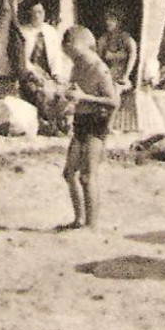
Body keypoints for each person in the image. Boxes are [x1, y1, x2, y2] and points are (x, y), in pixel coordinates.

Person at [60, 25, 120, 231]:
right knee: (69, 173)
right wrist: (69, 104)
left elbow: (113, 101)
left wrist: (83, 98)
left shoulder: (98, 67)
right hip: (81, 122)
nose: (71, 58)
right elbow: (75, 93)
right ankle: (79, 220)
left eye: (72, 53)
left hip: (97, 123)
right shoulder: (77, 66)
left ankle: (91, 225)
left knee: (87, 176)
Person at [96, 10, 137, 89]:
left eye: (111, 19)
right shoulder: (103, 39)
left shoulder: (127, 39)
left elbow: (133, 57)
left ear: (118, 22)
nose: (108, 22)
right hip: (107, 76)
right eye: (107, 19)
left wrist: (126, 76)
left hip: (122, 77)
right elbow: (98, 60)